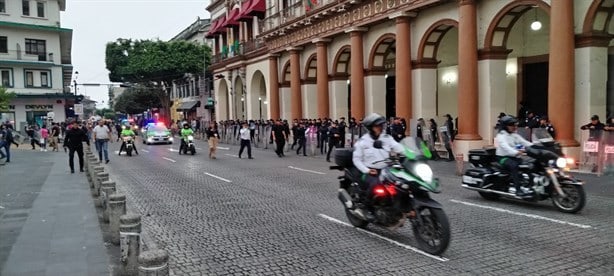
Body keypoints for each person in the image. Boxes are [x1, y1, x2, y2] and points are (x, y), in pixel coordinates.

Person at [352, 113, 405, 219]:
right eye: (378, 126)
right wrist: (367, 170)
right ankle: (365, 209)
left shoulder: (386, 138)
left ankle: (396, 206)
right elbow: (356, 159)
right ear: (371, 128)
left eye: (381, 125)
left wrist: (412, 153)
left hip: (386, 168)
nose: (381, 127)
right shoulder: (362, 142)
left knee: (402, 183)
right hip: (370, 171)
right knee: (376, 185)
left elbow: (398, 147)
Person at [495, 116, 534, 197]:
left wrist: (537, 147)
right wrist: (517, 152)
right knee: (514, 166)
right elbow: (506, 147)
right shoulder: (501, 136)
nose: (515, 127)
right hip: (503, 158)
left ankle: (531, 186)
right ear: (505, 126)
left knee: (530, 165)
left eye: (515, 125)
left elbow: (525, 142)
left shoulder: (514, 135)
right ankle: (518, 190)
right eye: (512, 125)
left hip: (514, 156)